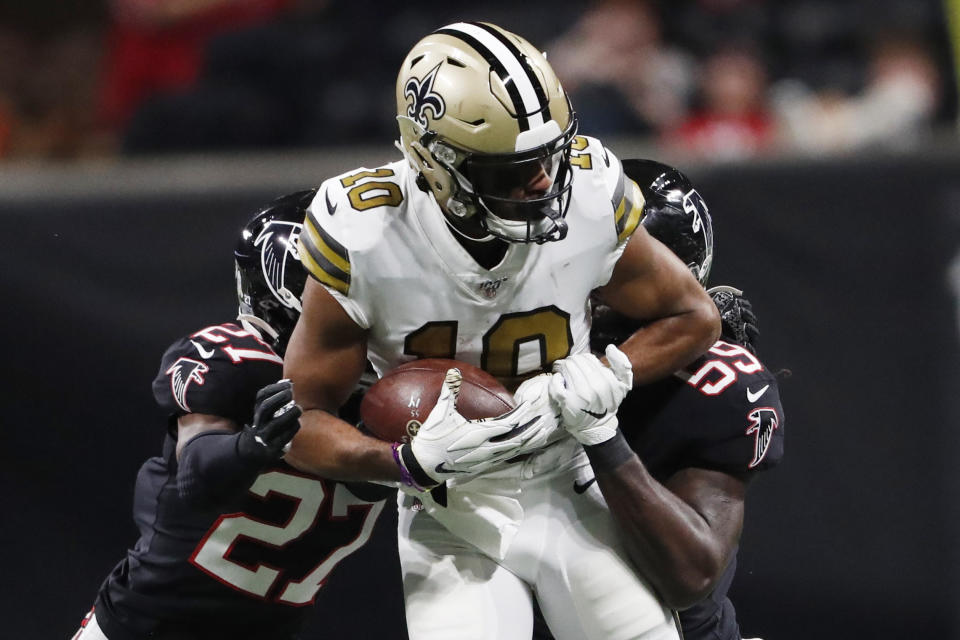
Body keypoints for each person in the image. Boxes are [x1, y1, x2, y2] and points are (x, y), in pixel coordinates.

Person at [282, 21, 720, 640]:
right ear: (436, 164)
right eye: (510, 171)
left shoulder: (591, 191)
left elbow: (693, 315)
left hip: (572, 473)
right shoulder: (368, 233)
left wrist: (611, 371)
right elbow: (299, 419)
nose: (543, 182)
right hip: (448, 505)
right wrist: (403, 463)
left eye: (549, 156)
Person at [72, 191, 388, 640]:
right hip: (145, 626)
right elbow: (197, 477)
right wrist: (252, 445)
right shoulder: (236, 361)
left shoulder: (395, 387)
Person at [533, 159, 784, 640]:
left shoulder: (717, 384)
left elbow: (690, 575)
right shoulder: (517, 338)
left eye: (610, 264)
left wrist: (600, 433)